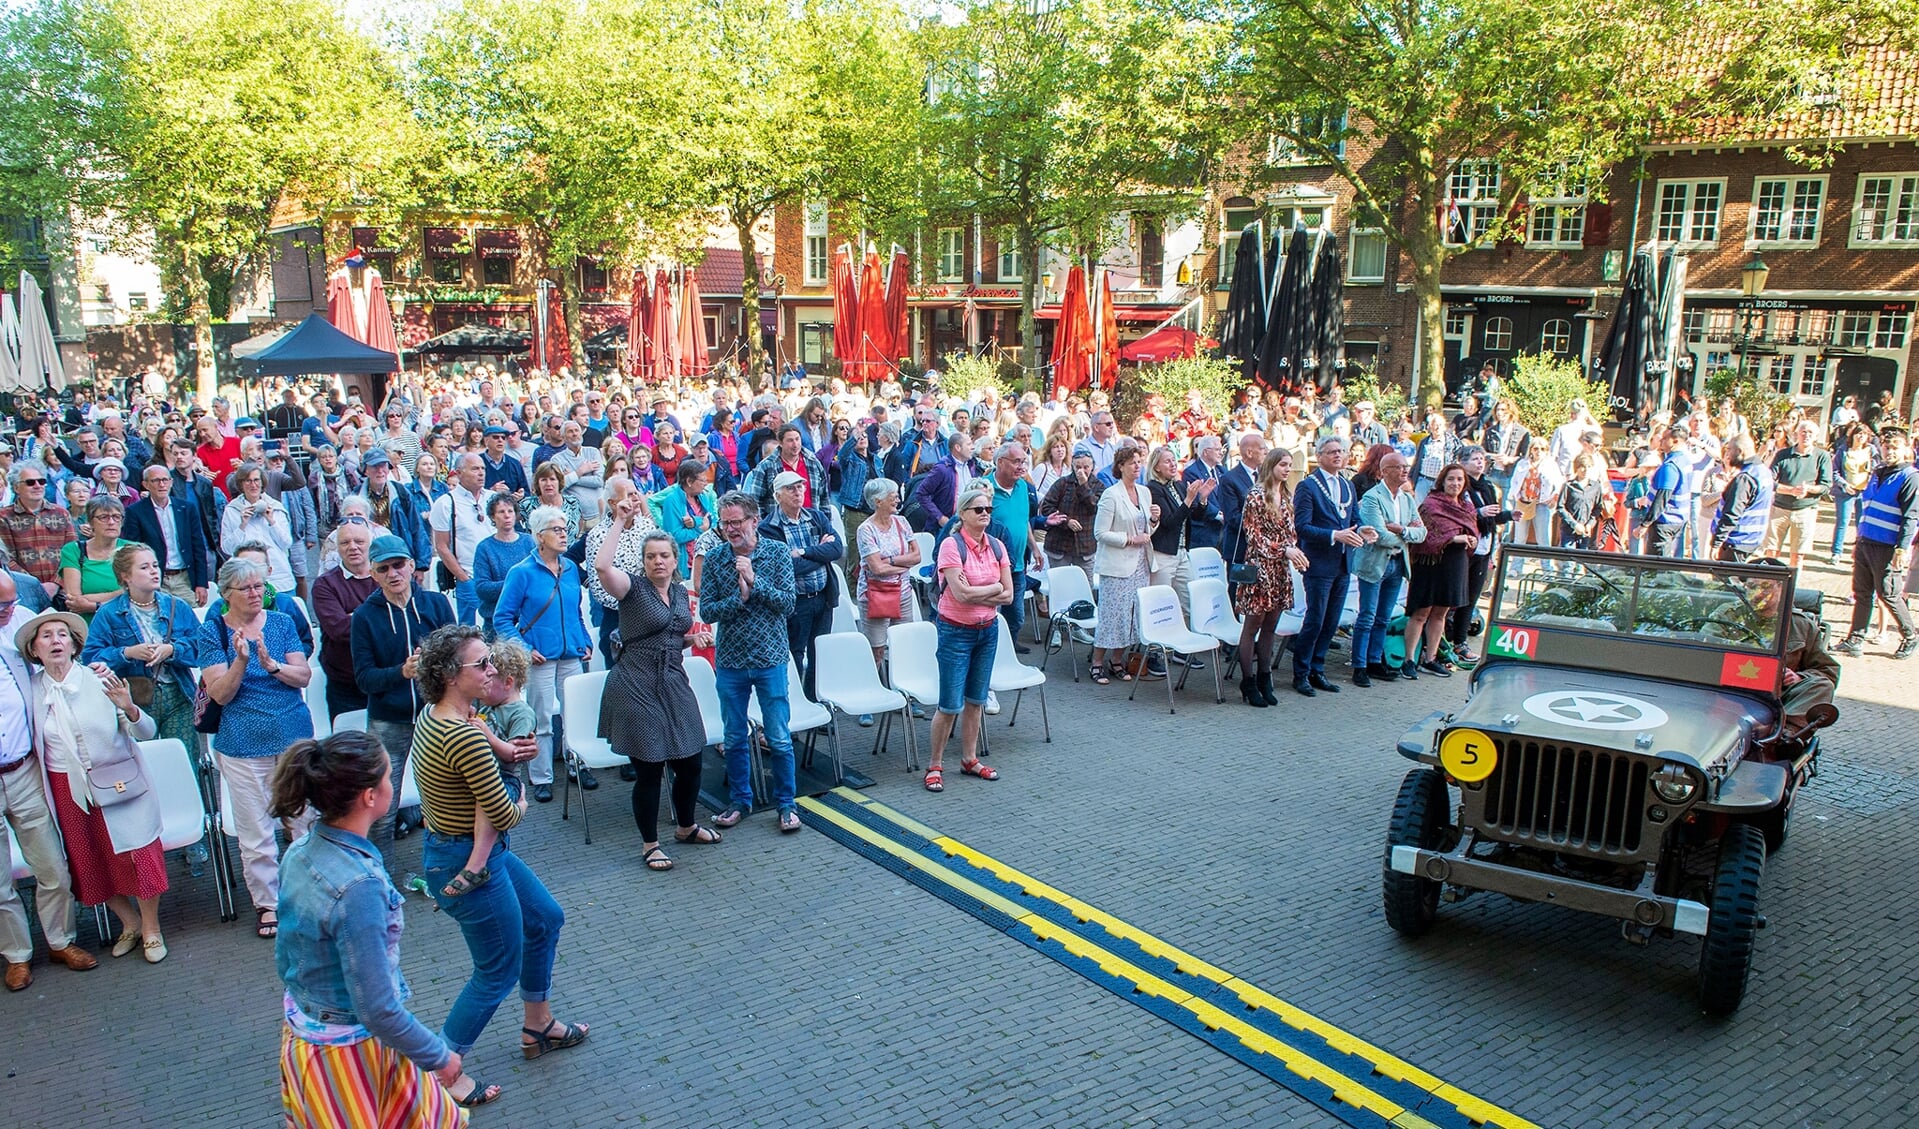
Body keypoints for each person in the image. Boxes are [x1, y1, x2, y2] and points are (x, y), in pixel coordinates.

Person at [270, 730, 480, 1121]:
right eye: (387, 775)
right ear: (370, 796)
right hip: (348, 1055)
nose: (392, 782)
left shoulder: (299, 852)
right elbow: (378, 1008)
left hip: (309, 1033)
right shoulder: (358, 886)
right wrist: (439, 1057)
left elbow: (287, 958)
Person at [412, 625, 587, 1075]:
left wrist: (504, 753)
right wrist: (523, 799)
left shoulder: (435, 714)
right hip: (469, 862)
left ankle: (538, 1025)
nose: (493, 669)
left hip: (461, 852)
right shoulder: (465, 735)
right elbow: (505, 814)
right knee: (495, 971)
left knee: (545, 918)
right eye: (482, 663)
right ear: (452, 674)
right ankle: (440, 1071)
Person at [18, 610, 168, 964]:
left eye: (62, 635)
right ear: (34, 650)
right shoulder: (31, 690)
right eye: (46, 636)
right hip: (66, 786)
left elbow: (147, 731)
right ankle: (128, 923)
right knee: (89, 860)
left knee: (139, 854)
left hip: (119, 782)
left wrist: (129, 707)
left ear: (74, 645)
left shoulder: (100, 678)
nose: (56, 641)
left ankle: (151, 929)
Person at [596, 521, 719, 872]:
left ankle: (686, 826)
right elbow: (603, 567)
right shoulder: (632, 589)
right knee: (650, 768)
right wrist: (619, 522)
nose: (658, 562)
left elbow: (670, 634)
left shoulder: (680, 592)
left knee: (691, 762)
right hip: (636, 682)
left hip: (673, 679)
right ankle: (650, 844)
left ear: (674, 558)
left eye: (664, 555)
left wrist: (691, 641)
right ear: (644, 561)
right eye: (651, 557)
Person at [200, 557, 313, 939]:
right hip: (242, 743)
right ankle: (269, 904)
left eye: (259, 586)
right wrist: (241, 662)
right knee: (256, 831)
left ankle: (310, 895)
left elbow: (303, 675)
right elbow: (219, 693)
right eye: (246, 588)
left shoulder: (281, 621)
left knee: (304, 820)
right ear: (226, 594)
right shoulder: (213, 630)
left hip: (293, 735)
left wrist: (271, 665)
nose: (255, 593)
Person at [0, 578, 100, 990]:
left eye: (10, 602)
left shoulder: (21, 621)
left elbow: (56, 661)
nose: (9, 611)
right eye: (0, 606)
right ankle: (17, 955)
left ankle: (60, 940)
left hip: (22, 769)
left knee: (52, 867)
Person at [698, 491, 802, 833]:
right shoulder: (714, 559)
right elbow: (707, 610)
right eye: (725, 523)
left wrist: (755, 583)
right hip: (730, 661)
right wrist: (737, 599)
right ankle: (740, 801)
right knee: (734, 736)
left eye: (736, 522)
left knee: (779, 736)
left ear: (754, 520)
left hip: (770, 657)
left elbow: (787, 604)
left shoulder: (775, 553)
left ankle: (786, 804)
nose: (730, 529)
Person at [350, 535, 456, 859]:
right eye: (384, 568)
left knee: (447, 797)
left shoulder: (436, 604)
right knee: (381, 806)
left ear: (411, 566)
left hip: (436, 717)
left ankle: (450, 867)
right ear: (373, 574)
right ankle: (377, 880)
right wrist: (402, 672)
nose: (393, 573)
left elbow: (457, 655)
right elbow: (364, 679)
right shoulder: (364, 618)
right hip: (388, 720)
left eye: (399, 565)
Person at [493, 505, 592, 799]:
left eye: (565, 529)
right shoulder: (521, 572)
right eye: (557, 530)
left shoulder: (571, 568)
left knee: (575, 714)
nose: (564, 535)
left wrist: (584, 637)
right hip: (540, 659)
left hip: (572, 654)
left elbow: (575, 610)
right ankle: (541, 777)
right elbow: (502, 618)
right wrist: (525, 649)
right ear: (539, 536)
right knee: (542, 718)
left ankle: (576, 766)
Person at [81, 544, 200, 772]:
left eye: (155, 565)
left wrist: (172, 650)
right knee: (144, 764)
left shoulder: (177, 606)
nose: (154, 571)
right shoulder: (109, 613)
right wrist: (127, 653)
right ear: (126, 577)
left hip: (178, 693)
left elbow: (200, 647)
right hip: (136, 697)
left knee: (184, 761)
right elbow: (91, 658)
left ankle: (193, 806)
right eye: (144, 567)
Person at [923, 480, 1010, 792]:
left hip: (987, 631)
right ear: (962, 513)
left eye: (989, 508)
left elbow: (1010, 595)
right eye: (979, 509)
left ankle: (969, 759)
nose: (986, 513)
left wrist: (979, 593)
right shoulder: (951, 545)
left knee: (976, 700)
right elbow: (960, 594)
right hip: (955, 632)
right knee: (949, 705)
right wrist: (993, 590)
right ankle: (935, 765)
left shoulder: (996, 545)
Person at [1292, 437, 1370, 696]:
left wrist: (1364, 530)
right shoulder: (1308, 486)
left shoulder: (1348, 484)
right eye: (1333, 452)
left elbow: (1354, 519)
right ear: (1320, 455)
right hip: (1319, 562)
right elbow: (1302, 527)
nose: (1339, 455)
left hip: (1342, 563)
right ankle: (1301, 672)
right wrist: (1334, 535)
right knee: (1315, 619)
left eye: (1342, 451)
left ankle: (1318, 668)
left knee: (1332, 620)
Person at [1233, 450, 1308, 706]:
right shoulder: (1255, 495)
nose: (1287, 469)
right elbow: (1253, 536)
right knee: (1252, 624)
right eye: (1283, 464)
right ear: (1271, 465)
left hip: (1279, 569)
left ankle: (1265, 677)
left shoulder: (1286, 496)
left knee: (1271, 626)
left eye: (1290, 465)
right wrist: (1283, 550)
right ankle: (1248, 680)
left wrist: (1293, 550)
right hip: (1259, 567)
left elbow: (1291, 532)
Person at [1836, 427, 1917, 659]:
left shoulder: (1910, 478)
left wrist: (1902, 548)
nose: (1889, 451)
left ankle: (1910, 635)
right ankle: (1855, 639)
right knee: (1862, 592)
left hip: (1887, 546)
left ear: (1905, 449)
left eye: (1894, 447)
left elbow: (1911, 516)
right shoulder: (1878, 472)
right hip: (1866, 541)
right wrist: (1859, 538)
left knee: (1888, 593)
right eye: (1886, 446)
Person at [1353, 452, 1422, 687]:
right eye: (1399, 467)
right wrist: (1405, 534)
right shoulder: (1373, 497)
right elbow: (1379, 535)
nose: (1405, 470)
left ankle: (1374, 660)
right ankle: (1359, 665)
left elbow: (1421, 533)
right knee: (1367, 616)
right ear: (1385, 471)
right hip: (1375, 563)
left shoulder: (1407, 499)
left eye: (1406, 466)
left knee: (1383, 616)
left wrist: (1401, 530)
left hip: (1396, 563)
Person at [1088, 446, 1156, 685]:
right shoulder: (1111, 495)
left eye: (1139, 461)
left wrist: (1154, 520)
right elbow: (1100, 533)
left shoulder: (1145, 493)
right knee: (1112, 615)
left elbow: (1147, 531)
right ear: (1120, 467)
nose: (1137, 466)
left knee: (1132, 615)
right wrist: (1129, 540)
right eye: (1132, 462)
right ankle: (1097, 663)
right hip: (1117, 565)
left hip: (1141, 563)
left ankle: (1118, 660)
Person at [1404, 465, 1479, 679]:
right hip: (1430, 564)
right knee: (1421, 613)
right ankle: (1409, 660)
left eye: (1459, 480)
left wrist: (1471, 539)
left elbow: (1473, 530)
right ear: (1442, 481)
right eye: (1451, 479)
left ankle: (1431, 658)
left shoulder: (1466, 506)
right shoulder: (1431, 504)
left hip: (1456, 564)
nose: (1455, 484)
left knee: (1441, 614)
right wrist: (1452, 539)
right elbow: (1424, 535)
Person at [1444, 447, 1512, 663]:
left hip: (1484, 547)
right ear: (1462, 462)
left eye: (1482, 459)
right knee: (1454, 597)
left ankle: (1460, 643)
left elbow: (1492, 516)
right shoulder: (1459, 486)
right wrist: (1478, 513)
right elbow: (1456, 515)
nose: (1480, 463)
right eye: (1475, 459)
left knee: (1471, 598)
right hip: (1463, 548)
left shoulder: (1487, 486)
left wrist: (1508, 515)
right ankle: (1441, 641)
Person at [310, 519, 378, 720]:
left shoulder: (386, 577)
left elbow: (400, 621)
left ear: (370, 544)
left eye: (359, 541)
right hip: (346, 685)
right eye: (345, 543)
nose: (353, 547)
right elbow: (340, 630)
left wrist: (355, 615)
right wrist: (380, 618)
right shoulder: (325, 585)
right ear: (337, 548)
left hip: (387, 680)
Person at [125, 463, 208, 604]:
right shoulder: (135, 511)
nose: (161, 484)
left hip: (184, 578)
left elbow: (198, 546)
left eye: (165, 480)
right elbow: (133, 549)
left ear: (171, 482)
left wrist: (201, 583)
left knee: (191, 618)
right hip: (155, 579)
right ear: (145, 484)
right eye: (156, 480)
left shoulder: (187, 508)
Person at [0, 463, 76, 601]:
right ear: (16, 487)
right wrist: (34, 585)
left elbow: (72, 552)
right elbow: (6, 558)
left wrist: (55, 583)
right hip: (22, 592)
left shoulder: (61, 513)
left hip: (62, 591)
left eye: (41, 481)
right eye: (30, 482)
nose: (37, 486)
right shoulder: (3, 517)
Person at [1764, 419, 1831, 569]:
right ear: (1796, 435)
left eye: (1810, 433)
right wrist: (1790, 490)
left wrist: (1808, 489)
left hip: (1805, 510)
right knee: (1771, 552)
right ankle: (1768, 587)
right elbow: (1769, 481)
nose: (1806, 435)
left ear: (1816, 436)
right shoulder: (1782, 455)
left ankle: (1792, 588)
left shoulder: (1822, 456)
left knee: (1798, 555)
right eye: (1803, 432)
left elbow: (1826, 486)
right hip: (1779, 509)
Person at [60, 496, 136, 623]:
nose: (111, 522)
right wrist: (122, 593)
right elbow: (74, 601)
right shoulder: (73, 550)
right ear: (90, 522)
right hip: (88, 626)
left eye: (116, 517)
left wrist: (93, 605)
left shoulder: (133, 550)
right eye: (104, 517)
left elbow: (141, 594)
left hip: (127, 624)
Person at [220, 465, 296, 590]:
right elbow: (228, 549)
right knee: (258, 607)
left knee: (281, 606)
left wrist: (272, 522)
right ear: (241, 484)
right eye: (248, 481)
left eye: (256, 480)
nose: (253, 485)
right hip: (248, 582)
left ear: (262, 483)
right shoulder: (232, 510)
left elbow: (286, 543)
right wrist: (242, 525)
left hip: (279, 579)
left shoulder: (275, 507)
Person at [471, 492, 532, 628]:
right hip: (497, 622)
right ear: (493, 516)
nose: (507, 515)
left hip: (529, 620)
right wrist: (516, 583)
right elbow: (482, 588)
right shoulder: (485, 548)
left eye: (510, 511)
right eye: (501, 512)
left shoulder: (529, 542)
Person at [1710, 435, 1775, 563]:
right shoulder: (1763, 471)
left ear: (1740, 452)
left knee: (1727, 581)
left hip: (1736, 541)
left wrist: (1717, 543)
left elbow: (1732, 513)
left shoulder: (1744, 478)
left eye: (1729, 450)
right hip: (1752, 539)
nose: (1727, 454)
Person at [651, 458, 718, 577]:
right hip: (685, 565)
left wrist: (696, 521)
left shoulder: (703, 497)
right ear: (689, 481)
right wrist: (699, 529)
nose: (706, 483)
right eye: (702, 480)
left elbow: (712, 521)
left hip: (705, 560)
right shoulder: (672, 500)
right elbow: (674, 536)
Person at [1216, 433, 1268, 580]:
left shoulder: (1265, 476)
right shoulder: (1229, 479)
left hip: (1264, 550)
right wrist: (1264, 525)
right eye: (1262, 448)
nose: (1266, 452)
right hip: (1240, 550)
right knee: (1239, 596)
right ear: (1249, 452)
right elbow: (1233, 517)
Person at [1038, 452, 1100, 575]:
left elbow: (1095, 508)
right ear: (1072, 466)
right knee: (1061, 587)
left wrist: (1084, 486)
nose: (1081, 471)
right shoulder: (1062, 483)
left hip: (1085, 547)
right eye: (1078, 467)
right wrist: (1066, 521)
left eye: (1086, 467)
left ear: (1092, 467)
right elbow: (1046, 507)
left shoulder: (1098, 486)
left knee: (1086, 588)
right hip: (1059, 546)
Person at [1639, 425, 1692, 558]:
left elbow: (1662, 497)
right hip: (1679, 519)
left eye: (1664, 438)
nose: (1661, 441)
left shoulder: (1671, 466)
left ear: (1675, 441)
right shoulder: (1685, 460)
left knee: (1658, 567)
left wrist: (1645, 524)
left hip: (1665, 521)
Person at [1181, 436, 1228, 551]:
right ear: (1206, 452)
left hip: (1224, 530)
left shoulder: (1222, 471)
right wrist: (1218, 514)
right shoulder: (1191, 472)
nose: (1221, 453)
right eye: (1217, 449)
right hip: (1205, 530)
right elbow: (1196, 499)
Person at [1556, 453, 1608, 551]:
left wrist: (1590, 524)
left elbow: (1598, 508)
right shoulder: (1568, 486)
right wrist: (1574, 524)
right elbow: (1560, 507)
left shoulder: (1595, 486)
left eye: (1588, 467)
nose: (1585, 470)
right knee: (1568, 561)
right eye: (1582, 467)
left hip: (1585, 530)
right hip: (1569, 529)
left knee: (1581, 560)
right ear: (1577, 468)